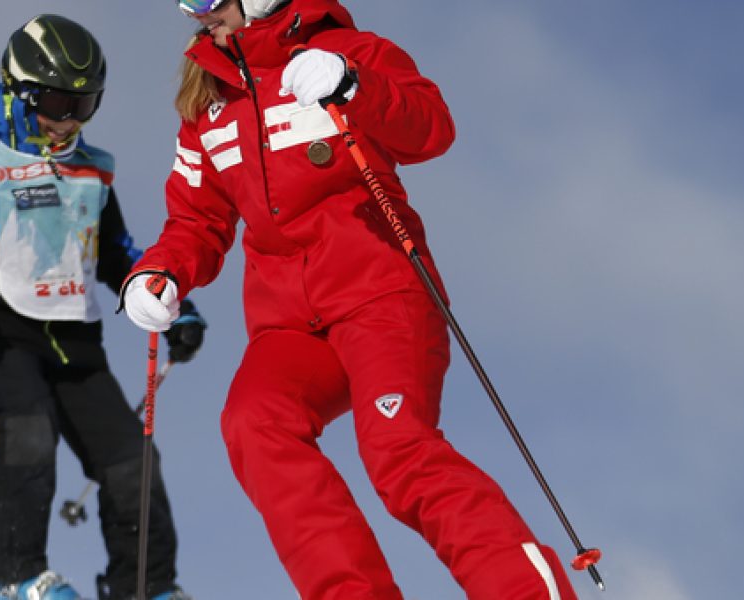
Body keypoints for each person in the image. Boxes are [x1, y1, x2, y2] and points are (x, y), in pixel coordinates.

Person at [118, 1, 579, 598]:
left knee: (397, 452)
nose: (192, 12)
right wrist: (158, 273)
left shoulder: (350, 53)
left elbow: (431, 127)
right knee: (253, 422)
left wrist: (352, 85)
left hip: (379, 294)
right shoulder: (209, 103)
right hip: (291, 324)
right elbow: (197, 217)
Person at [0, 15, 204, 600]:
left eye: (84, 104)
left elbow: (120, 253)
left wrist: (174, 300)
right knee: (28, 433)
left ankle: (145, 586)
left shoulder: (89, 170)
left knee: (131, 459)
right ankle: (5, 578)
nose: (68, 119)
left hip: (72, 334)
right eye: (54, 101)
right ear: (20, 93)